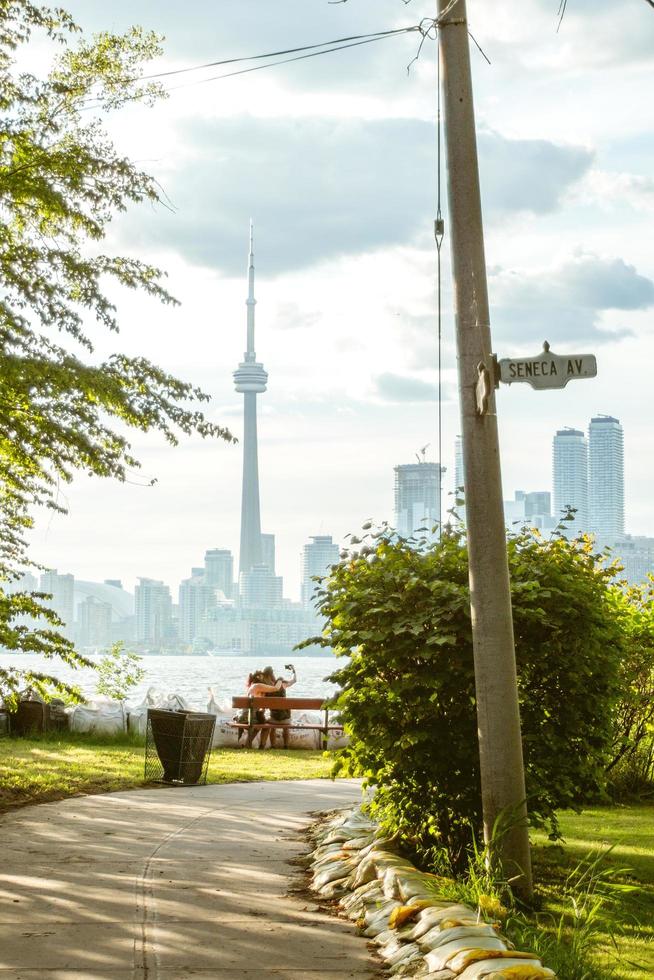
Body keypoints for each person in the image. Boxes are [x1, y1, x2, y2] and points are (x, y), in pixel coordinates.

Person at [261, 664, 297, 749]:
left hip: (273, 720)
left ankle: (273, 746)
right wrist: (293, 670)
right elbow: (294, 680)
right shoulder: (281, 684)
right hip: (286, 720)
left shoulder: (265, 688)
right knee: (286, 727)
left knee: (271, 725)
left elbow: (263, 708)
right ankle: (286, 746)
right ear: (272, 674)